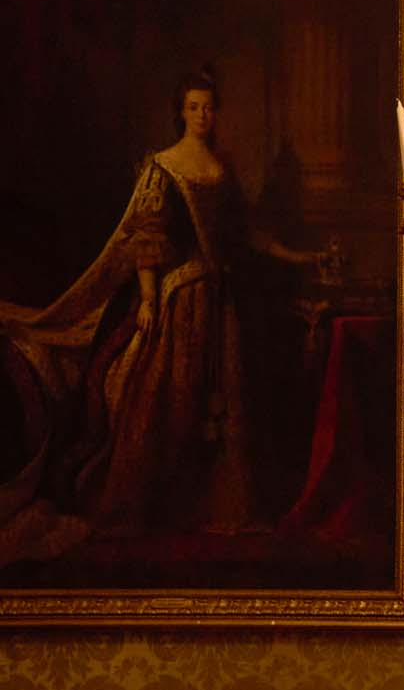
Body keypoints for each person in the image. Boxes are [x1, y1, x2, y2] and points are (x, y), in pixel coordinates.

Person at [0, 68, 322, 564]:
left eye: (208, 107)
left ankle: (212, 507)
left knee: (221, 404)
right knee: (167, 397)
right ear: (180, 112)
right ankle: (152, 507)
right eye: (193, 107)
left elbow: (247, 232)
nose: (202, 115)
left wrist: (298, 257)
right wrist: (149, 300)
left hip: (220, 304)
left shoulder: (222, 168)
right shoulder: (164, 168)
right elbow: (147, 241)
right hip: (179, 301)